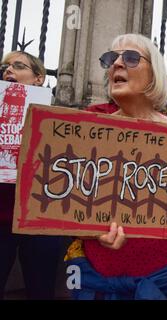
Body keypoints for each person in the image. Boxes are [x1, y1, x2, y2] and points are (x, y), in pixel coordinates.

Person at [64, 33, 167, 300]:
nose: (117, 64)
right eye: (111, 58)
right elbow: (60, 203)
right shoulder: (86, 127)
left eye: (130, 57)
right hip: (98, 282)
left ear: (154, 74)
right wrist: (90, 229)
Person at [0, 51, 62, 299]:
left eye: (18, 66)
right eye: (5, 67)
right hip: (2, 215)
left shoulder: (56, 118)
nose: (8, 71)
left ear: (38, 78)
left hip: (39, 220)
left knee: (41, 290)